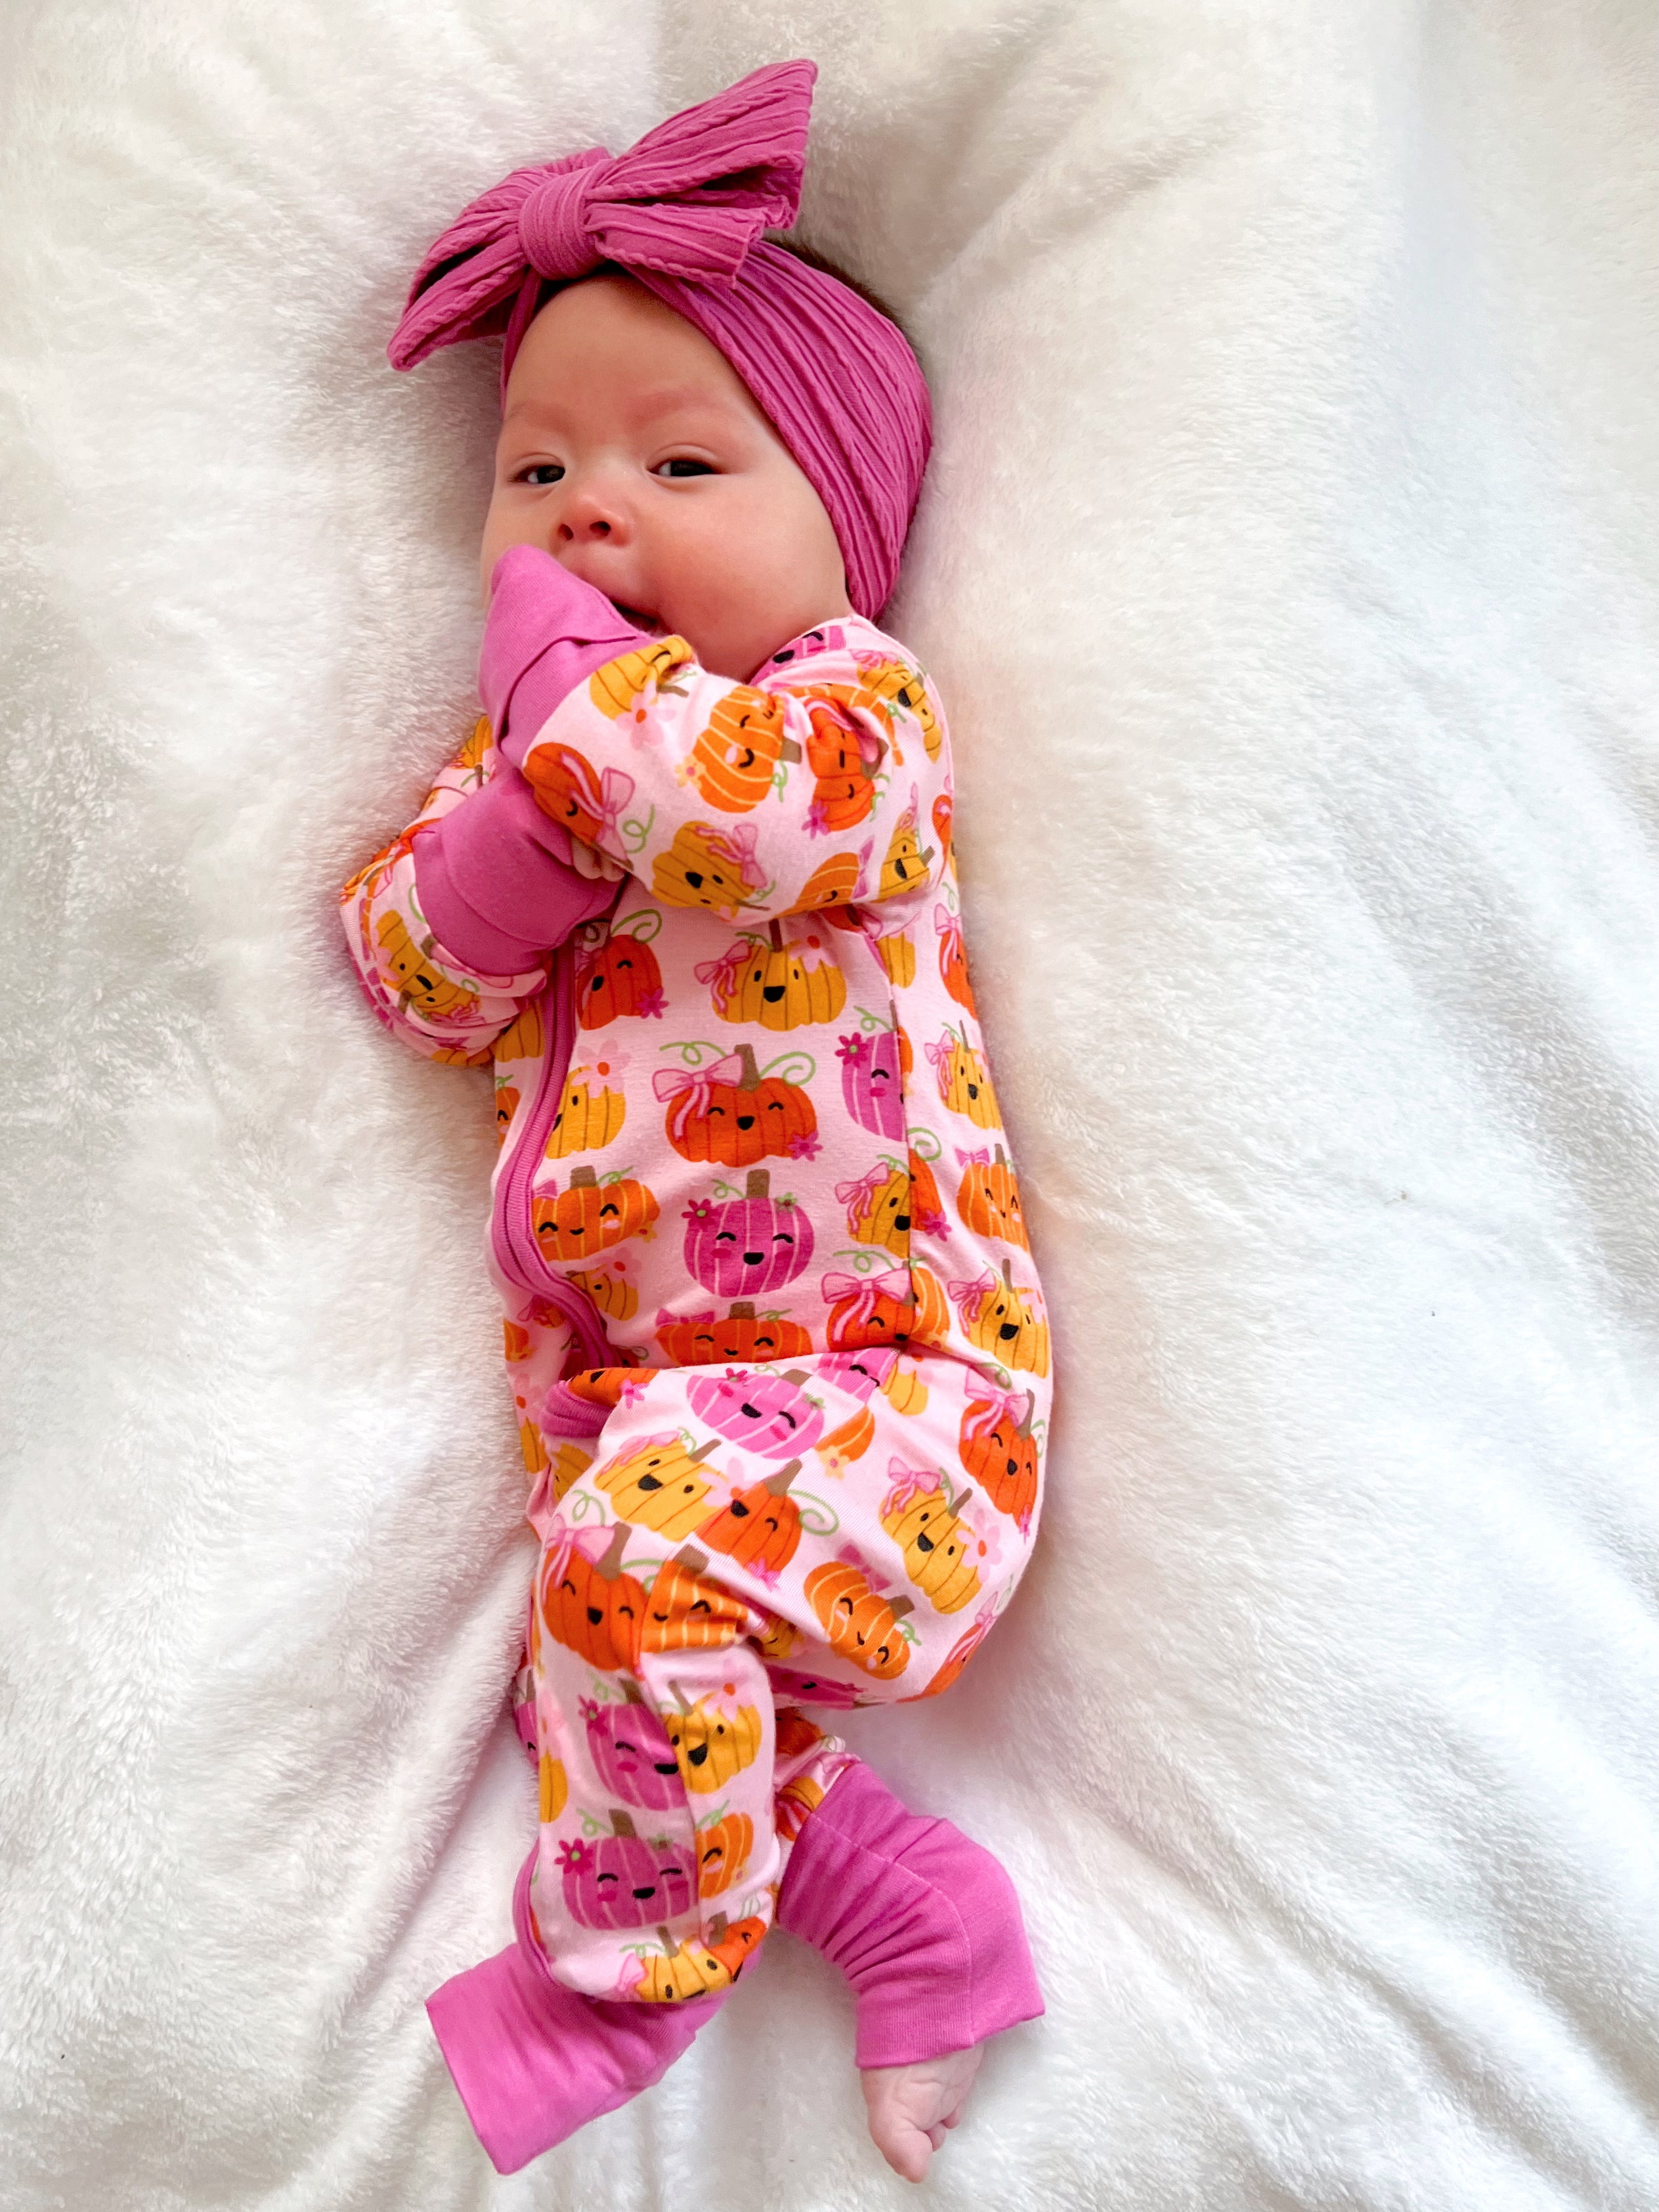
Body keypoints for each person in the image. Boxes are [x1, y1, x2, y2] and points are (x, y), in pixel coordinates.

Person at [343, 57, 1052, 2184]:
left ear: (845, 526)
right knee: (629, 1666)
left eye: (677, 460)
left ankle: (617, 1983)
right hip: (645, 1415)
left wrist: (583, 733)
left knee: (637, 1595)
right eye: (536, 466)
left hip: (905, 1397)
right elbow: (406, 965)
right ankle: (913, 1918)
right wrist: (510, 847)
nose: (584, 513)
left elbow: (733, 819)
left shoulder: (847, 718)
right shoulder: (529, 774)